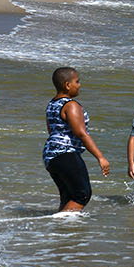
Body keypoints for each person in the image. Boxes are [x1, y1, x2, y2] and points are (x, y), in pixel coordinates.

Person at [43, 66, 110, 212]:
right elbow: (81, 133)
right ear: (67, 85)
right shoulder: (71, 105)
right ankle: (60, 223)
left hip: (50, 155)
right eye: (77, 82)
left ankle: (63, 231)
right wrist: (101, 157)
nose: (79, 86)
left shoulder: (52, 104)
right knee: (82, 195)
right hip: (65, 153)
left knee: (68, 197)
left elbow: (51, 130)